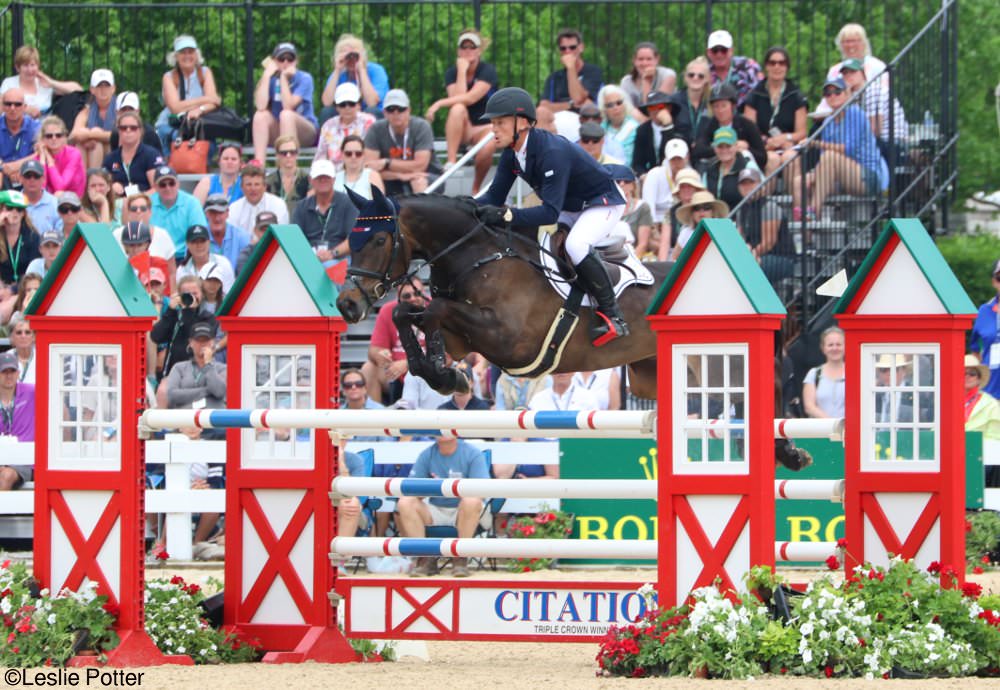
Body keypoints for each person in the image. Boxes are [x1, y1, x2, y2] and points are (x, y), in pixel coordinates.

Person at [476, 87, 629, 346]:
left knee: (575, 245)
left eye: (500, 122)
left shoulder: (551, 152)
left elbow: (548, 211)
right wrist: (461, 207)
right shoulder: (512, 154)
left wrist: (507, 215)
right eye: (493, 123)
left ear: (522, 122)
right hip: (573, 206)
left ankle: (614, 316)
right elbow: (492, 198)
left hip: (602, 202)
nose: (494, 129)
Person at [165, 320, 227, 548]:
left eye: (207, 340)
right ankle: (165, 542)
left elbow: (220, 391)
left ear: (213, 342)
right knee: (173, 487)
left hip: (214, 435)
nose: (202, 345)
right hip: (183, 432)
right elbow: (173, 395)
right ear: (190, 343)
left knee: (212, 488)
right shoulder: (179, 368)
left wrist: (209, 365)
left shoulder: (221, 369)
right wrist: (204, 390)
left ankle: (199, 541)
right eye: (198, 340)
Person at [791, 77, 887, 220]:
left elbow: (847, 149)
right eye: (828, 93)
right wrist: (814, 175)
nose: (833, 96)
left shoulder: (855, 114)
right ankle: (804, 234)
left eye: (837, 92)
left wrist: (814, 143)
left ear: (847, 94)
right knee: (800, 181)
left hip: (868, 176)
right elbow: (824, 160)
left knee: (830, 157)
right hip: (839, 176)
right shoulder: (828, 121)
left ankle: (813, 211)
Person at [398, 436, 491, 577]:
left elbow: (481, 491)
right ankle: (424, 557)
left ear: (455, 431)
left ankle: (460, 556)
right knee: (405, 502)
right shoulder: (427, 454)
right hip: (435, 508)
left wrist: (442, 487)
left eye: (446, 427)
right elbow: (412, 489)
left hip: (462, 510)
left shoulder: (472, 453)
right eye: (439, 428)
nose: (443, 433)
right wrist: (431, 488)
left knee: (471, 501)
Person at [424, 29, 498, 194]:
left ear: (479, 51)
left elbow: (470, 98)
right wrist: (462, 72)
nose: (468, 51)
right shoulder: (452, 72)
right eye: (464, 47)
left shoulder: (487, 71)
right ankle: (452, 162)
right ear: (458, 51)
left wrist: (438, 103)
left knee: (489, 144)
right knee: (457, 109)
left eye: (472, 47)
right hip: (463, 128)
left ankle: (476, 190)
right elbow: (458, 99)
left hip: (485, 128)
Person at [742, 46, 808, 177]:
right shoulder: (755, 94)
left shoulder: (796, 95)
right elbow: (749, 129)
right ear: (766, 66)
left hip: (788, 147)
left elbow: (801, 132)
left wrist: (784, 138)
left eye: (781, 63)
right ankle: (764, 197)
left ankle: (795, 197)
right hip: (763, 148)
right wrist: (768, 143)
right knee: (772, 159)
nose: (777, 67)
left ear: (787, 67)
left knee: (790, 158)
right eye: (772, 63)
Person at [362, 279, 428, 403]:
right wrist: (381, 355)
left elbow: (445, 354)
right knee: (369, 368)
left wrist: (408, 363)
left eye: (417, 293)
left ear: (424, 293)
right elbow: (373, 350)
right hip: (395, 373)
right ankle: (374, 420)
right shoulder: (388, 310)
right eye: (407, 296)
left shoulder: (434, 309)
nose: (413, 298)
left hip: (427, 372)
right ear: (399, 298)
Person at [251, 42, 317, 164]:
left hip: (305, 131)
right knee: (260, 116)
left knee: (286, 115)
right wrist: (265, 76)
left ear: (296, 61)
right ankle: (259, 165)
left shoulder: (305, 78)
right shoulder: (270, 78)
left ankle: (287, 164)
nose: (286, 63)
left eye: (290, 59)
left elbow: (288, 106)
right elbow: (260, 106)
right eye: (281, 59)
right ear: (274, 61)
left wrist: (283, 78)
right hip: (280, 129)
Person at [155, 35, 222, 155]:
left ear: (196, 55)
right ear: (176, 56)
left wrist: (200, 110)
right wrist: (206, 99)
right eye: (182, 52)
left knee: (208, 144)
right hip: (171, 125)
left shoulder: (205, 72)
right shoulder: (169, 77)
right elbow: (174, 108)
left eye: (190, 52)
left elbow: (214, 104)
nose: (187, 56)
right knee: (178, 138)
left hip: (198, 124)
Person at [363, 89, 436, 196]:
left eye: (401, 109)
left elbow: (420, 166)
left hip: (426, 174)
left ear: (409, 110)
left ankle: (420, 213)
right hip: (391, 178)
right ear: (384, 113)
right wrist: (399, 175)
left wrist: (386, 163)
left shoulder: (421, 127)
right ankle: (378, 212)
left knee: (418, 181)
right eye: (390, 109)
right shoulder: (376, 129)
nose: (396, 113)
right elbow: (370, 167)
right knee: (372, 179)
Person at [536, 29, 603, 133]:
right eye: (563, 48)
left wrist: (571, 68)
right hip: (556, 124)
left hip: (584, 122)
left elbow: (580, 100)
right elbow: (544, 106)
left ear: (581, 47)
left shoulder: (593, 72)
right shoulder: (554, 77)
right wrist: (570, 105)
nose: (568, 51)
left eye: (572, 47)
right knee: (540, 114)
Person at [291, 159, 358, 260]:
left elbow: (354, 238)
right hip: (308, 258)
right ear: (310, 180)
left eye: (326, 177)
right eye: (319, 177)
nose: (323, 180)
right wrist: (309, 256)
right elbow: (294, 239)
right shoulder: (302, 207)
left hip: (339, 257)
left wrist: (332, 253)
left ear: (334, 179)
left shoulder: (348, 203)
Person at [735, 167, 794, 283]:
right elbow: (739, 238)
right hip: (755, 256)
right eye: (743, 184)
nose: (747, 187)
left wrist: (749, 256)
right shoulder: (741, 209)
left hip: (780, 257)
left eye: (751, 182)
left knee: (748, 270)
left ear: (760, 184)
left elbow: (768, 243)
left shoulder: (769, 206)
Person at [692, 83, 766, 171]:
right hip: (716, 169)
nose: (720, 110)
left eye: (724, 106)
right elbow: (698, 150)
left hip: (743, 170)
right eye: (716, 106)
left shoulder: (747, 125)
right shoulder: (709, 125)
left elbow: (763, 157)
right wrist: (725, 148)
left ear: (733, 106)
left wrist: (747, 149)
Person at [318, 34, 390, 123]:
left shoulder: (376, 71)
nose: (351, 59)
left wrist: (361, 70)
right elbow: (327, 103)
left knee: (371, 111)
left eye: (354, 54)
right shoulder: (339, 74)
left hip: (371, 115)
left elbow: (372, 102)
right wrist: (337, 70)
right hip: (345, 115)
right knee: (326, 112)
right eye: (347, 55)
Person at [0, 45, 82, 119]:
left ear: (38, 66)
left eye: (32, 65)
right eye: (25, 65)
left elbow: (78, 90)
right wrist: (24, 109)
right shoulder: (9, 83)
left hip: (45, 132)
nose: (30, 70)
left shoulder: (44, 83)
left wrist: (51, 83)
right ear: (18, 68)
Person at [314, 82, 376, 170]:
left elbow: (372, 156)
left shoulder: (369, 122)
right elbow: (320, 157)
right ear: (337, 107)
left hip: (362, 172)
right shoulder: (328, 126)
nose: (347, 107)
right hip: (333, 176)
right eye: (342, 104)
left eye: (351, 103)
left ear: (358, 105)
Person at [150, 165, 208, 257]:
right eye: (162, 185)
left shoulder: (192, 203)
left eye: (171, 183)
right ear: (156, 187)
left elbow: (199, 233)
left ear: (178, 184)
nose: (168, 188)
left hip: (184, 257)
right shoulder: (147, 204)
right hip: (155, 258)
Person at [102, 110, 164, 195]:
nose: (128, 130)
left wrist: (137, 199)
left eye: (133, 128)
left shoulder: (151, 155)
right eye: (124, 128)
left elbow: (158, 188)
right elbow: (102, 186)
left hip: (146, 202)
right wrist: (111, 186)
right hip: (118, 203)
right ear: (119, 131)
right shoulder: (110, 158)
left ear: (140, 131)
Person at [116, 193, 178, 277]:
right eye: (134, 209)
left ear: (150, 212)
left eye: (143, 208)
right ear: (129, 213)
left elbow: (172, 272)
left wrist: (173, 290)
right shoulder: (116, 234)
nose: (138, 211)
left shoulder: (162, 235)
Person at [0, 350, 36, 490]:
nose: (9, 376)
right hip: (2, 455)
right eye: (4, 372)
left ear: (18, 373)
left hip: (24, 460)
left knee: (6, 476)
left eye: (12, 371)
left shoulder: (32, 392)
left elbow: (59, 406)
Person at [641, 138, 689, 241]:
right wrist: (654, 231)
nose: (676, 162)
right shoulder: (655, 174)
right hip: (656, 225)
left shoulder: (690, 175)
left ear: (687, 158)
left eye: (679, 158)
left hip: (681, 223)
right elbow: (648, 205)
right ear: (667, 159)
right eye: (673, 159)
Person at [70, 69, 117, 170]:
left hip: (114, 151)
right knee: (81, 145)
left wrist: (92, 135)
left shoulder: (119, 109)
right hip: (91, 151)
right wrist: (88, 139)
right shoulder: (87, 110)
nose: (103, 90)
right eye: (99, 86)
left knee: (96, 142)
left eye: (106, 86)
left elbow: (118, 136)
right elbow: (74, 134)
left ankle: (92, 179)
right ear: (92, 89)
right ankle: (85, 182)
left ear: (113, 89)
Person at [968, 258, 1000, 402]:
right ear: (994, 282)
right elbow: (975, 350)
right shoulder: (984, 311)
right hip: (989, 392)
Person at [705, 29, 762, 108]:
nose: (719, 54)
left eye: (724, 50)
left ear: (731, 50)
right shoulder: (703, 74)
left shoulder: (748, 67)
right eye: (715, 51)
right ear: (708, 52)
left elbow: (762, 92)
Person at [703, 126, 755, 209]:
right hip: (715, 220)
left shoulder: (748, 166)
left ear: (736, 146)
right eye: (720, 146)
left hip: (743, 217)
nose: (724, 150)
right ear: (714, 148)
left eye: (728, 146)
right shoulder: (709, 169)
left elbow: (761, 190)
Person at [630, 92, 682, 175]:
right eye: (651, 107)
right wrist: (643, 175)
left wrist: (668, 127)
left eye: (660, 107)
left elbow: (673, 150)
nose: (656, 110)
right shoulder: (643, 130)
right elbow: (637, 163)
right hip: (652, 174)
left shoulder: (680, 127)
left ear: (669, 108)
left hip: (678, 172)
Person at [620, 42, 676, 118]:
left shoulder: (668, 75)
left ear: (657, 60)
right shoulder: (626, 82)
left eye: (649, 59)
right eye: (640, 59)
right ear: (634, 60)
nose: (644, 63)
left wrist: (646, 80)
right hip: (635, 122)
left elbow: (654, 109)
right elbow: (626, 110)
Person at [606, 164, 652, 254]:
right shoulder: (605, 207)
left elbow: (643, 244)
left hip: (633, 254)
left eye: (627, 181)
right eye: (618, 181)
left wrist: (631, 262)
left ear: (633, 185)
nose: (622, 184)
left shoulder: (642, 207)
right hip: (608, 255)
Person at [229, 163, 289, 233]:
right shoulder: (234, 208)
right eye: (248, 184)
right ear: (242, 187)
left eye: (257, 184)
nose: (253, 188)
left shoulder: (278, 204)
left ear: (265, 187)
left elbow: (281, 234)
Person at [663, 168, 707, 261]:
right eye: (683, 186)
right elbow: (665, 243)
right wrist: (663, 264)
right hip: (676, 255)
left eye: (690, 186)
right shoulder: (671, 212)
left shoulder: (707, 210)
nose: (686, 190)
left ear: (697, 189)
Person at [670, 189, 728, 260]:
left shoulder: (722, 230)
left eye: (706, 207)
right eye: (697, 208)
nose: (701, 211)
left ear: (712, 211)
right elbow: (674, 258)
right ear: (692, 213)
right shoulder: (686, 233)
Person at [175, 224, 235, 292]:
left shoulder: (223, 263)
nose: (199, 245)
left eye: (202, 241)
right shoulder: (182, 270)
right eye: (194, 242)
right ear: (187, 244)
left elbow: (230, 293)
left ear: (209, 242)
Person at [34, 115, 84, 196]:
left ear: (64, 137)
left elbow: (60, 186)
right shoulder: (39, 156)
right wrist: (43, 159)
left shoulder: (74, 154)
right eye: (49, 136)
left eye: (58, 135)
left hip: (73, 198)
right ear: (42, 139)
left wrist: (50, 161)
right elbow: (40, 187)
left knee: (58, 194)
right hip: (49, 199)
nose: (54, 138)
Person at [802, 326, 846, 419]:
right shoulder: (814, 374)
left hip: (848, 430)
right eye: (830, 345)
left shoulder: (854, 373)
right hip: (820, 431)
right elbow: (809, 406)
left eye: (838, 344)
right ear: (823, 348)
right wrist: (832, 424)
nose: (835, 348)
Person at [0, 190, 40, 291]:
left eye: (19, 209)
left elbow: (34, 273)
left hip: (23, 290)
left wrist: (12, 290)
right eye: (9, 208)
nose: (14, 212)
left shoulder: (32, 237)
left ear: (23, 213)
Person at [0, 87, 41, 186]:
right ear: (2, 107)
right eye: (8, 104)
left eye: (17, 104)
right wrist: (3, 168)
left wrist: (18, 167)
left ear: (25, 107)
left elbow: (41, 152)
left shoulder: (35, 127)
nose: (12, 108)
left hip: (29, 171)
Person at [265, 135, 310, 216]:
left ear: (297, 154)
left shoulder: (308, 180)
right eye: (284, 153)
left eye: (292, 152)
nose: (288, 156)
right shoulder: (269, 181)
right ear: (277, 155)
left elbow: (310, 206)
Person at [673, 57, 711, 148]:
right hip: (679, 153)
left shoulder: (713, 102)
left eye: (701, 76)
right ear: (685, 77)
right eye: (691, 75)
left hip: (707, 153)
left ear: (707, 79)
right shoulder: (673, 101)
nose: (695, 78)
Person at [598, 85, 639, 166]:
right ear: (604, 109)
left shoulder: (636, 128)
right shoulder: (600, 130)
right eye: (610, 105)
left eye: (619, 103)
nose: (615, 108)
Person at [334, 134, 384, 199]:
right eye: (348, 154)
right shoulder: (335, 178)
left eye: (358, 154)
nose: (353, 157)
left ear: (363, 155)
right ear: (342, 154)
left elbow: (380, 204)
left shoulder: (372, 176)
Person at [964, 354, 1000, 442]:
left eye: (972, 373)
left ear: (979, 379)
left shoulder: (991, 404)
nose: (967, 376)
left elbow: (995, 438)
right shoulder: (948, 402)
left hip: (979, 452)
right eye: (963, 372)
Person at [19, 159, 61, 233]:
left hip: (50, 243)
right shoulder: (13, 202)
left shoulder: (55, 203)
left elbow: (61, 235)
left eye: (36, 176)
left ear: (43, 179)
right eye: (28, 176)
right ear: (21, 179)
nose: (32, 180)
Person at [236, 210, 277, 275]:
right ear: (255, 230)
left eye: (270, 229)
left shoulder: (286, 251)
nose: (267, 233)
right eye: (263, 230)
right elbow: (245, 279)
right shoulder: (247, 254)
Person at [5, 314, 36, 383]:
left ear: (34, 337)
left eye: (27, 332)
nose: (23, 336)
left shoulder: (43, 357)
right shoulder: (5, 359)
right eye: (19, 333)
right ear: (11, 337)